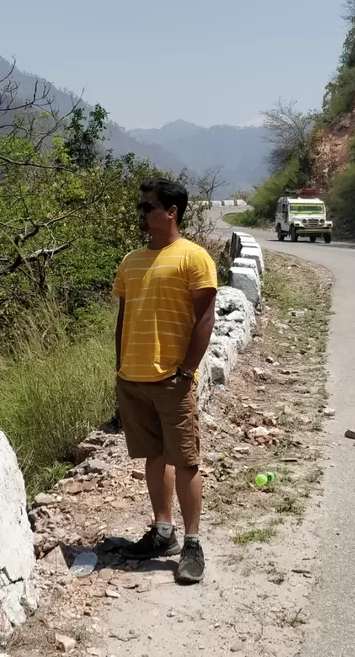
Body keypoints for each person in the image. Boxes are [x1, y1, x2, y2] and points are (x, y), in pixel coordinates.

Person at [112, 177, 218, 584]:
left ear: (171, 212)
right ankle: (162, 532)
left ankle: (192, 543)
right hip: (133, 378)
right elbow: (124, 317)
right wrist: (119, 367)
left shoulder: (194, 258)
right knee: (153, 458)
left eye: (148, 207)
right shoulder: (131, 260)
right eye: (141, 206)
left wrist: (187, 370)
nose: (142, 213)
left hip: (172, 378)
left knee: (186, 461)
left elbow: (205, 318)